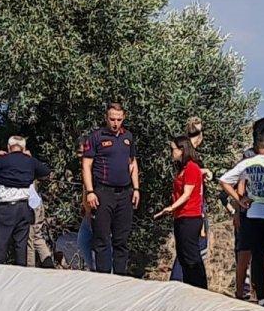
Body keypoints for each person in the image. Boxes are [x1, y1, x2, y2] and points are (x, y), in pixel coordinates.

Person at [82, 102, 141, 275]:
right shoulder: (96, 137)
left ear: (124, 118)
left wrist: (136, 188)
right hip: (102, 192)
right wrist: (90, 192)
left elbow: (133, 163)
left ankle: (120, 277)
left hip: (124, 193)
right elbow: (86, 165)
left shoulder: (128, 137)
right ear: (106, 118)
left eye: (119, 119)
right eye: (112, 119)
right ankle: (103, 278)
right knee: (101, 239)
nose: (116, 123)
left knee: (121, 240)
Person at [219, 134, 264, 304]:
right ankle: (260, 294)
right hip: (263, 212)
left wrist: (239, 202)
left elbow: (228, 183)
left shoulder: (249, 163)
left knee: (248, 254)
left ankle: (247, 292)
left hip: (250, 212)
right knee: (261, 255)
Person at [0, 136, 52, 266]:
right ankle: (21, 275)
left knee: (1, 243)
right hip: (24, 207)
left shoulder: (2, 160)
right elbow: (46, 171)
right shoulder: (30, 161)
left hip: (6, 208)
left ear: (9, 147)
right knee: (22, 245)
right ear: (24, 148)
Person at [155, 136, 207, 289]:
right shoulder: (182, 169)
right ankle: (189, 286)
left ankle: (200, 287)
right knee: (183, 255)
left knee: (191, 255)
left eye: (174, 149)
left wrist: (171, 207)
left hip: (190, 217)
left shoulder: (192, 167)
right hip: (180, 216)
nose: (172, 152)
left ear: (182, 150)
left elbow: (187, 193)